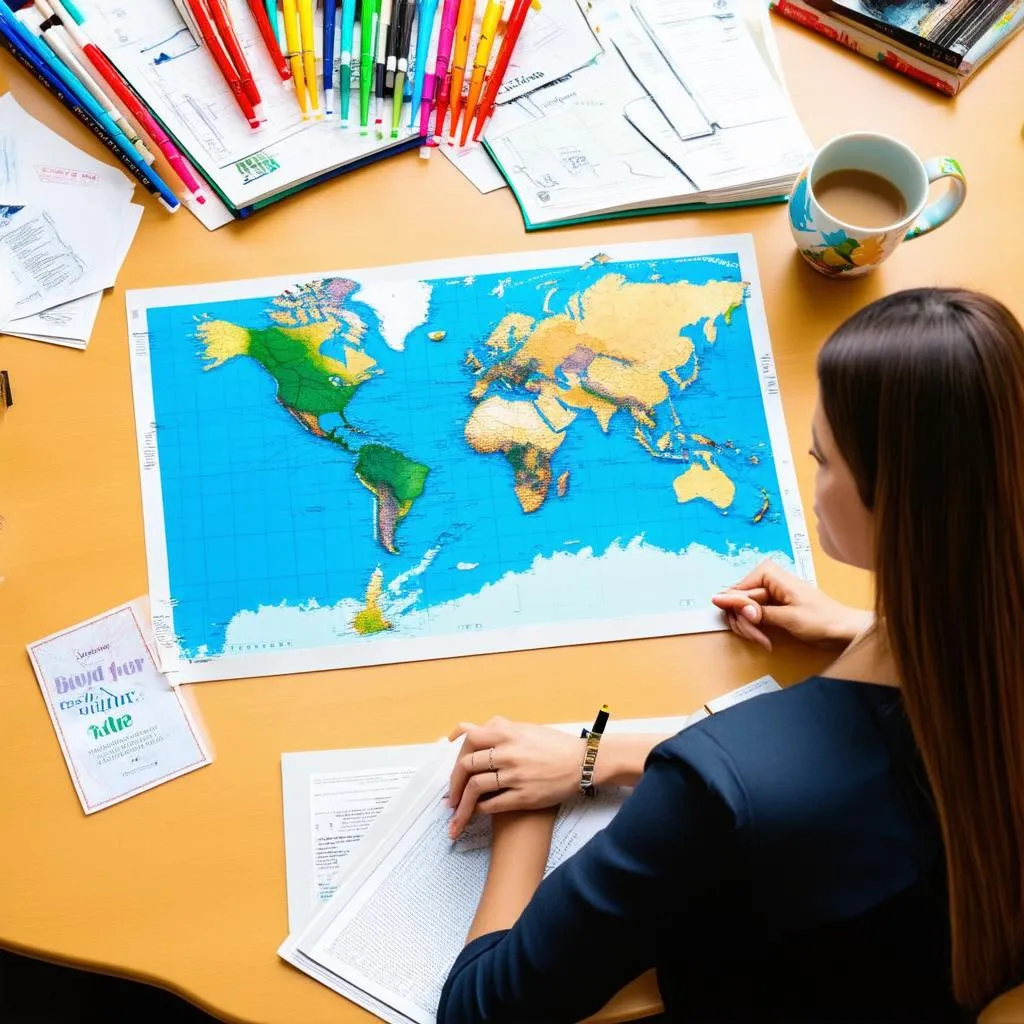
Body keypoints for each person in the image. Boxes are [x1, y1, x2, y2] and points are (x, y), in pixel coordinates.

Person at [436, 288, 1024, 1023]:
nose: (811, 466)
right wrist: (867, 628)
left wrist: (531, 796)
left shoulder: (719, 787)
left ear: (894, 506)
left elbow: (480, 1011)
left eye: (824, 459)